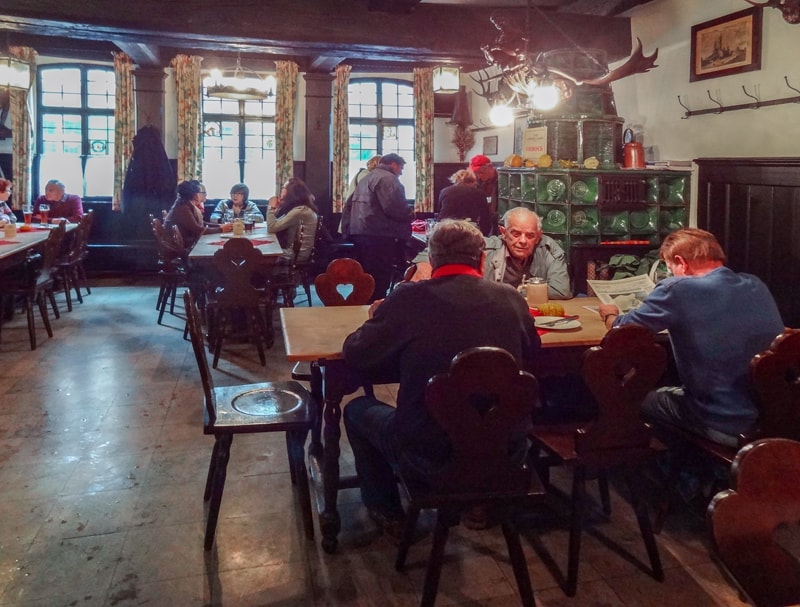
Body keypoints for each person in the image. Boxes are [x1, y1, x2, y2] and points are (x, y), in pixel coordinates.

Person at [342, 219, 540, 536]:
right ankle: (479, 501)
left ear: (432, 261)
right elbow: (533, 351)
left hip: (428, 456)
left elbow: (355, 353)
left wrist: (378, 318)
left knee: (356, 410)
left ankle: (387, 510)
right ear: (482, 259)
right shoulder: (512, 300)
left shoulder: (408, 300)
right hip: (506, 452)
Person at [598, 228, 784, 447]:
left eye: (670, 268)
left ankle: (676, 472)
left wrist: (610, 314)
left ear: (681, 262)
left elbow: (623, 334)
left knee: (639, 396)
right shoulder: (755, 284)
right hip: (776, 421)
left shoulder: (677, 289)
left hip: (724, 422)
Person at [341, 153, 414, 302]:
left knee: (367, 274)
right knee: (380, 276)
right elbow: (394, 208)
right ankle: (377, 307)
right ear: (393, 164)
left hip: (360, 232)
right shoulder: (388, 179)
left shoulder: (367, 177)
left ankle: (365, 305)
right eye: (401, 168)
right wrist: (411, 214)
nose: (401, 172)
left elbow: (349, 205)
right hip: (379, 234)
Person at [266, 177, 319, 268]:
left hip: (295, 254)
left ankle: (265, 280)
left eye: (284, 189)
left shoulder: (300, 211)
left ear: (291, 192)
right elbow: (277, 223)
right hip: (294, 251)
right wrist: (277, 208)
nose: (281, 191)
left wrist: (271, 207)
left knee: (260, 253)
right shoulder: (299, 208)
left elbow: (272, 227)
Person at [164, 180, 220, 249]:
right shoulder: (183, 208)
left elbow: (201, 223)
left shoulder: (184, 203)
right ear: (195, 195)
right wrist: (221, 229)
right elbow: (198, 230)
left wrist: (220, 226)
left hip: (184, 242)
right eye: (200, 193)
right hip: (179, 248)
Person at [437, 168, 493, 236]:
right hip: (468, 228)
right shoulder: (479, 193)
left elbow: (439, 211)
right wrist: (484, 234)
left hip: (444, 227)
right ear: (472, 181)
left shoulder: (444, 191)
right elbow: (485, 217)